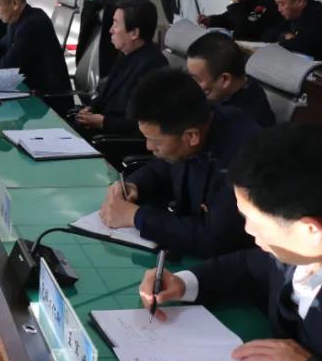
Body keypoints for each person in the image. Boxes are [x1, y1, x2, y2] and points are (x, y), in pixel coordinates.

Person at [141, 124, 322, 361]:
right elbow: (251, 266)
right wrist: (183, 283)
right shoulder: (309, 237)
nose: (248, 230)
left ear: (310, 229)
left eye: (255, 222)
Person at [98, 67, 260, 258]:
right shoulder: (191, 125)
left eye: (156, 141)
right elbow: (163, 167)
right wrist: (135, 185)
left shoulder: (244, 158)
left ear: (191, 136)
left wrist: (135, 216)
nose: (149, 147)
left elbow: (213, 239)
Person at [74, 0, 167, 136]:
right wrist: (90, 108)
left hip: (117, 140)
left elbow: (145, 126)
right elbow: (106, 95)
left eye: (116, 24)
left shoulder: (153, 67)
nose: (110, 30)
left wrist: (103, 122)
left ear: (134, 33)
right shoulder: (126, 54)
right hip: (102, 130)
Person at [186, 32, 275, 127]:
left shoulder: (246, 122)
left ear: (224, 80)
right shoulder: (238, 90)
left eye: (197, 79)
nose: (190, 84)